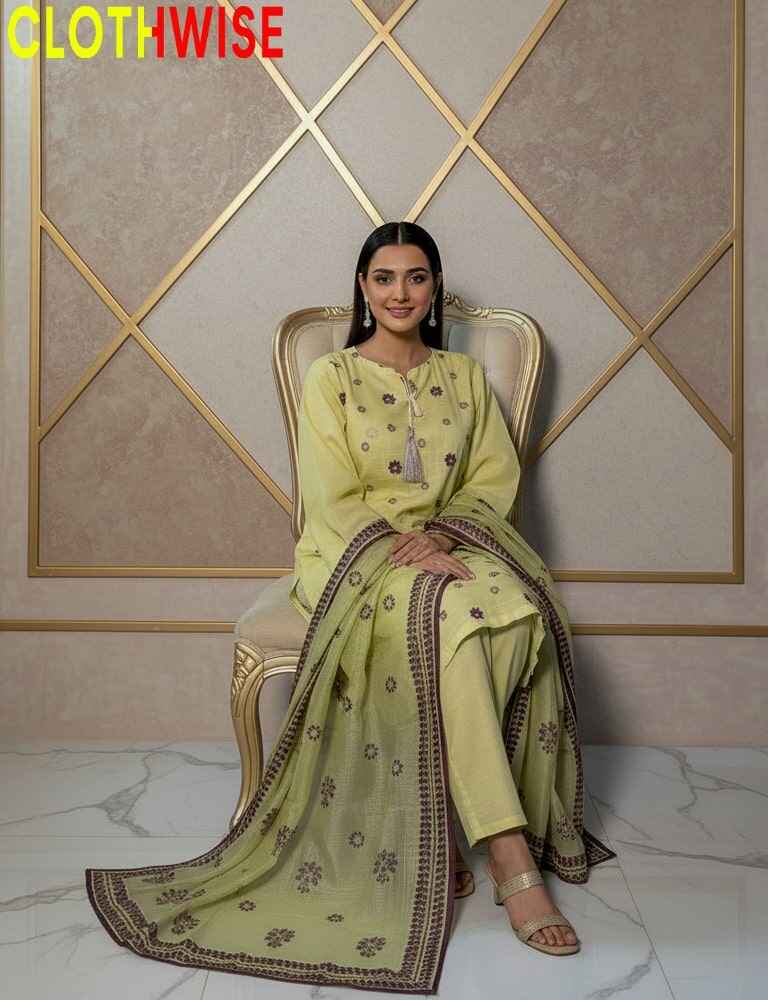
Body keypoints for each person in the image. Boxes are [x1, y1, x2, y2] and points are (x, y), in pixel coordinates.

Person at [84, 222, 616, 991]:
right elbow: (329, 496)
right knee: (457, 629)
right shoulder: (331, 375)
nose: (400, 293)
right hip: (353, 549)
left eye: (417, 278)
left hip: (451, 542)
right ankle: (508, 855)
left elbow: (494, 480)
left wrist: (439, 535)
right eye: (384, 278)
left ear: (434, 290)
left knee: (518, 614)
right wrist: (399, 543)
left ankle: (437, 824)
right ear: (363, 290)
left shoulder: (464, 380)